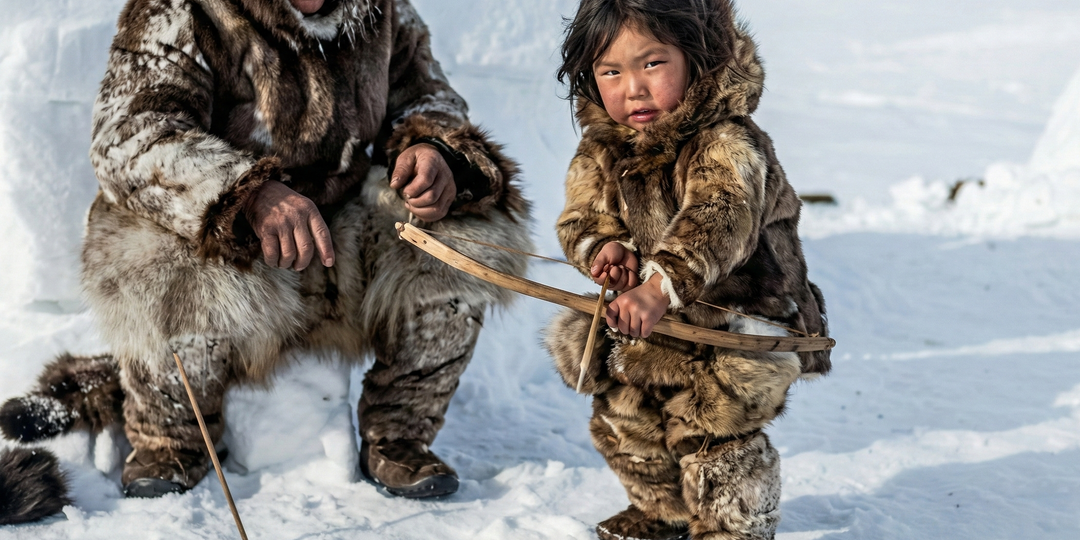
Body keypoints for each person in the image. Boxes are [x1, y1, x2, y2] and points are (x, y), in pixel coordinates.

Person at [0, 0, 531, 505]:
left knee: (470, 231)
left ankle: (399, 433)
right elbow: (130, 136)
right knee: (164, 254)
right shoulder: (186, 8)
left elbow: (428, 98)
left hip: (330, 240)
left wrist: (432, 149)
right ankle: (171, 438)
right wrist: (244, 192)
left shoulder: (381, 9)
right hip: (211, 243)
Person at [545, 0, 830, 538]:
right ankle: (660, 512)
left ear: (696, 59)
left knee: (714, 432)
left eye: (652, 64)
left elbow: (719, 220)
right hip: (653, 321)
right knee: (627, 415)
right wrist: (601, 248)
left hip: (741, 317)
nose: (633, 88)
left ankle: (734, 526)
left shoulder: (725, 141)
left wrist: (660, 285)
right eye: (611, 71)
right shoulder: (601, 148)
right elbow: (580, 216)